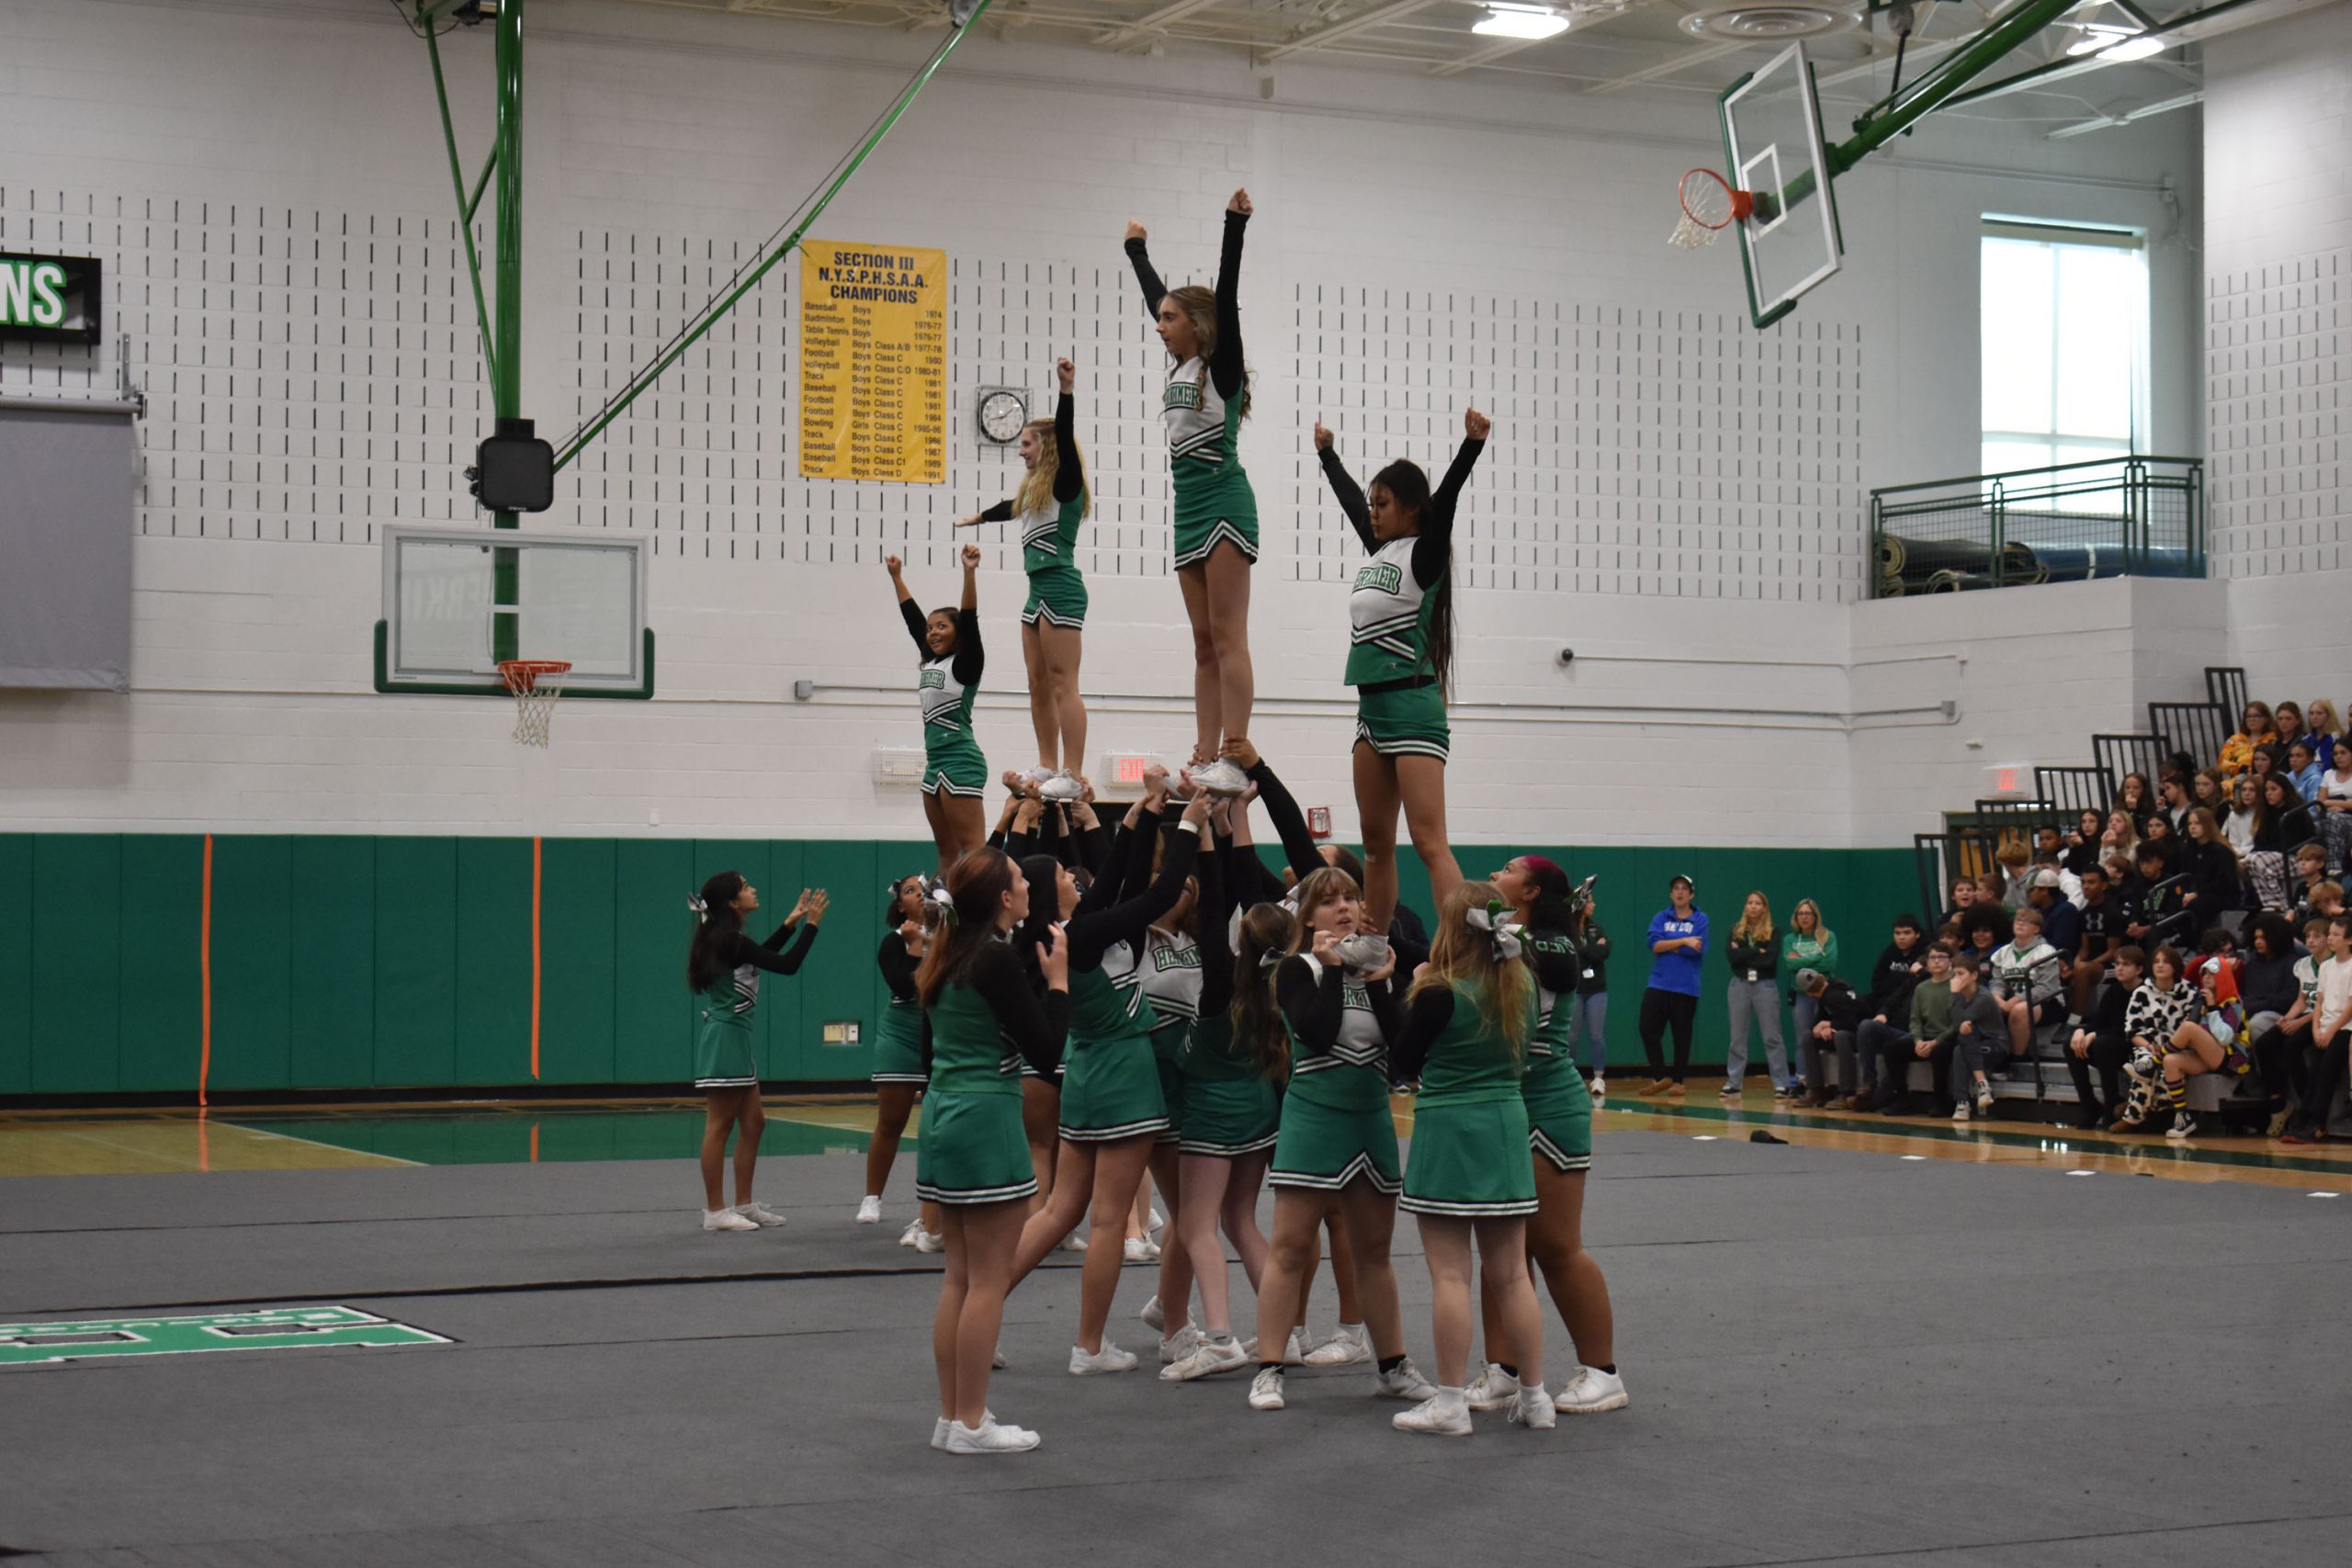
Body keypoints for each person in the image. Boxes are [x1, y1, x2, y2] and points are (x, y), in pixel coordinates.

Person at [1003, 790, 1209, 1377]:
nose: (1076, 875)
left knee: (1058, 1211)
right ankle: (1088, 1346)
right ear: (1052, 894)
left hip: (1087, 1073)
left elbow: (1116, 878)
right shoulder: (1083, 934)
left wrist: (1140, 816)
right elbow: (1159, 894)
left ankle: (984, 1309)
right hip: (1122, 1073)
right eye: (1066, 874)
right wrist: (1188, 825)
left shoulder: (1062, 931)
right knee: (1106, 1222)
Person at [1157, 746, 1322, 1382]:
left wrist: (1197, 825)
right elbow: (1246, 893)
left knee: (1199, 1225)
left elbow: (1228, 891)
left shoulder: (1221, 985)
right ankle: (1287, 1331)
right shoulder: (1285, 980)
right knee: (1243, 1221)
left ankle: (1221, 1335)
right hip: (1260, 1111)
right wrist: (1235, 821)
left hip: (1215, 1113)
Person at [1247, 864, 1437, 1414]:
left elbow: (1403, 1057)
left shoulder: (1381, 970)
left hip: (1370, 1117)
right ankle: (1269, 1368)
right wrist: (1334, 969)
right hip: (1314, 1117)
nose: (1346, 908)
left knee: (1373, 1252)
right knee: (1290, 1248)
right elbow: (1318, 1033)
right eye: (1331, 902)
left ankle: (1393, 1366)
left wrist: (1380, 984)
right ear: (1307, 917)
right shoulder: (1293, 969)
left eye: (1352, 898)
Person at [1311, 407, 1488, 947]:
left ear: (1413, 509)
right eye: (1373, 505)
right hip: (1372, 713)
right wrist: (1327, 456)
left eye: (1383, 504)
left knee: (1430, 841)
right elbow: (1348, 505)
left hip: (1413, 708)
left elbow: (1449, 500)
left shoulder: (1425, 555)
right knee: (1374, 847)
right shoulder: (1380, 550)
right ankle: (1374, 941)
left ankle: (1464, 945)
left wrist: (1471, 447)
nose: (1373, 513)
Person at [916, 849, 1071, 1454]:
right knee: (987, 1279)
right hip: (985, 1115)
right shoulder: (995, 958)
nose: (1029, 885)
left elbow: (930, 1053)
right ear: (1005, 899)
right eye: (1019, 881)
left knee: (958, 1276)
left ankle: (952, 1415)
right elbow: (1047, 1051)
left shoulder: (944, 952)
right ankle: (973, 1421)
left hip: (944, 1113)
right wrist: (1058, 983)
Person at [1387, 883, 1555, 1436]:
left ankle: (1452, 1402)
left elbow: (1401, 1063)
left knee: (1452, 1276)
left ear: (1451, 928)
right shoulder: (1524, 982)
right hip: (1506, 1124)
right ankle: (1536, 1398)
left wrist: (1405, 990)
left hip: (1449, 1130)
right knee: (1512, 1275)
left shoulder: (1438, 990)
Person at [1476, 856, 1625, 1417]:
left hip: (1549, 1104)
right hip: (1502, 1102)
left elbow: (1564, 969)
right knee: (1499, 1244)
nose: (1497, 871)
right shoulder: (1501, 935)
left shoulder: (1552, 943)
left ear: (1532, 891)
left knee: (1555, 1246)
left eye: (1509, 868)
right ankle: (1501, 1371)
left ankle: (1603, 1372)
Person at [1124, 192, 1260, 796]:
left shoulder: (1218, 366)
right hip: (1187, 509)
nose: (1160, 322)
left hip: (1225, 500)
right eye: (1160, 317)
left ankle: (1235, 748)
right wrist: (1136, 250)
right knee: (1203, 644)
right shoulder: (1179, 366)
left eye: (1171, 318)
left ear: (1198, 324)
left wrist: (1234, 227)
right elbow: (1155, 293)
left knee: (1229, 638)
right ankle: (1205, 752)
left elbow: (1225, 296)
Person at [956, 355, 1091, 799]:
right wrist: (975, 517)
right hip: (1036, 592)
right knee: (1036, 684)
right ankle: (1047, 762)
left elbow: (1066, 438)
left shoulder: (1064, 485)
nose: (1021, 450)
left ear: (1047, 448)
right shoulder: (1033, 495)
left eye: (1028, 443)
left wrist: (1066, 391)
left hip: (1061, 586)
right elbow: (1007, 509)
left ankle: (1072, 769)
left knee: (1061, 682)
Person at [684, 875, 826, 1233]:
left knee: (753, 1122)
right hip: (726, 1039)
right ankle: (715, 1211)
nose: (753, 890)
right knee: (719, 1125)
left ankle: (744, 1204)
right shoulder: (729, 939)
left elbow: (755, 959)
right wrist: (811, 926)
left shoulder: (728, 939)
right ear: (732, 902)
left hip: (737, 1038)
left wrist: (787, 925)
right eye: (746, 887)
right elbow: (787, 965)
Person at [888, 545, 989, 874]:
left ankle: (981, 917)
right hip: (935, 762)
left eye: (941, 626)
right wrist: (897, 577)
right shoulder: (932, 661)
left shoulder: (965, 664)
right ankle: (940, 922)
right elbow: (912, 620)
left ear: (958, 634)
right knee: (946, 852)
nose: (932, 632)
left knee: (973, 850)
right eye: (931, 628)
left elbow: (971, 618)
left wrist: (969, 573)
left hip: (960, 758)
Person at [865, 872, 943, 1249]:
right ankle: (872, 1196)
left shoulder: (944, 936)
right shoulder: (892, 942)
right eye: (912, 891)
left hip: (936, 1032)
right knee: (891, 1121)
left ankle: (929, 1208)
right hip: (899, 1033)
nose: (920, 894)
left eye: (924, 889)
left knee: (934, 1124)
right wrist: (914, 946)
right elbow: (906, 986)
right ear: (900, 905)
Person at [2109, 946, 2198, 1134]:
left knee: (2161, 1065)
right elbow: (2132, 1031)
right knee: (2145, 1062)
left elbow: (2193, 1029)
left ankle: (2134, 1113)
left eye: (2165, 962)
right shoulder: (2141, 993)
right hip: (2147, 1046)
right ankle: (2137, 1115)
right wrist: (2150, 1047)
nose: (2160, 965)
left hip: (2178, 1047)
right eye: (2156, 961)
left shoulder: (2190, 993)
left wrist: (2168, 1048)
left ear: (2175, 966)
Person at [2281, 915, 2352, 1145]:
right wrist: (2315, 1028)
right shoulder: (2327, 966)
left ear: (2349, 940)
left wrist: (2331, 1031)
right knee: (2313, 1072)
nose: (2330, 938)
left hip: (2344, 1027)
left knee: (2326, 1073)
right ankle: (2303, 1119)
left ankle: (2318, 1124)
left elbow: (2350, 1007)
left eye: (2335, 935)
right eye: (2329, 933)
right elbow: (2318, 1002)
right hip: (2322, 1026)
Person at [1637, 875, 1705, 1096]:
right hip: (1659, 983)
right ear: (1670, 893)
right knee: (1647, 1029)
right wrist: (1684, 940)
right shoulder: (1661, 917)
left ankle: (1678, 1081)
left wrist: (1671, 945)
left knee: (1681, 1035)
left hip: (1686, 987)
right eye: (1676, 888)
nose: (1680, 892)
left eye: (1684, 889)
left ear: (1691, 894)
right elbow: (1654, 945)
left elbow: (1696, 950)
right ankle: (1660, 1076)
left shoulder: (1701, 919)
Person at [2064, 946, 2142, 1129]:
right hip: (2109, 1042)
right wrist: (2081, 1031)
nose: (2120, 968)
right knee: (2070, 1045)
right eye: (2118, 964)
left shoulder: (2145, 992)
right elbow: (2099, 1020)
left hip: (2136, 1044)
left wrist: (2095, 1034)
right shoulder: (2114, 990)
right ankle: (2089, 1105)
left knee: (2102, 1044)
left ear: (2138, 969)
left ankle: (2111, 1105)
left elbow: (2131, 1028)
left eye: (2126, 965)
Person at [1722, 890, 1791, 1098]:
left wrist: (1744, 953)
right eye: (1750, 902)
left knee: (1772, 1036)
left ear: (1764, 908)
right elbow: (1732, 957)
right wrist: (1755, 951)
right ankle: (1734, 1083)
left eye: (1758, 903)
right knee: (1737, 1037)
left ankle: (1781, 1083)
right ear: (1745, 906)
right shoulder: (1736, 931)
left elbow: (1769, 960)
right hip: (1740, 985)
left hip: (1765, 985)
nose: (1753, 906)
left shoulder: (1774, 932)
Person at [1870, 945, 1953, 1114]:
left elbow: (1958, 1022)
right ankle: (1902, 1099)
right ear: (1927, 963)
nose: (1937, 961)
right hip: (1925, 1037)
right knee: (1893, 1049)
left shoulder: (1955, 986)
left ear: (1950, 961)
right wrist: (1918, 1041)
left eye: (1942, 957)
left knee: (1939, 1052)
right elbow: (1915, 1019)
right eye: (1933, 958)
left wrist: (1935, 1042)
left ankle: (1940, 1100)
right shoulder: (1921, 988)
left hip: (1947, 1037)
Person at [1928, 956, 2007, 1122]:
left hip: (1996, 1045)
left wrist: (1954, 995)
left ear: (1974, 975)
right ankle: (1979, 1089)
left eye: (1961, 974)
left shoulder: (1983, 997)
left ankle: (1963, 1102)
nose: (1956, 979)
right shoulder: (1959, 997)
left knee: (1963, 1041)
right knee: (1960, 1046)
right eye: (1954, 975)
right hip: (1972, 1044)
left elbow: (1958, 1022)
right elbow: (1957, 1024)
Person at [1987, 904, 2065, 1060]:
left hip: (2048, 1003)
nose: (2020, 924)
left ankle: (2017, 1057)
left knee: (2020, 1010)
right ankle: (1992, 1057)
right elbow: (1997, 982)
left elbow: (2046, 988)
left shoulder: (2046, 952)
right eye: (2018, 920)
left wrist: (2015, 1000)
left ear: (2036, 929)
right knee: (1986, 1006)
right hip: (2010, 1001)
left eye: (2026, 921)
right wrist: (1998, 999)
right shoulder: (2001, 954)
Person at [1794, 968, 1867, 1109]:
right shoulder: (1827, 994)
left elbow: (1853, 1024)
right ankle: (1815, 1088)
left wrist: (1831, 1025)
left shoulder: (1835, 996)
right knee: (1808, 1036)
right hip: (1848, 1031)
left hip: (1862, 1037)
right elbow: (1817, 1024)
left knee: (1841, 1036)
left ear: (1808, 993)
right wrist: (1824, 1027)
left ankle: (1846, 1092)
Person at [1566, 894, 1611, 1103]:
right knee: (1572, 1036)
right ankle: (1569, 1076)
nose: (1593, 904)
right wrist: (1590, 949)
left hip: (1597, 989)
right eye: (1590, 901)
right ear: (1581, 905)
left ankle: (1598, 1078)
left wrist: (1586, 950)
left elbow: (1604, 951)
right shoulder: (1568, 927)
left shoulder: (1596, 927)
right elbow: (1572, 952)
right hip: (1575, 988)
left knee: (1596, 1035)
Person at [2072, 863, 2131, 1015]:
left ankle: (2075, 1019)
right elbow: (2085, 948)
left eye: (2091, 882)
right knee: (2074, 969)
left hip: (2113, 965)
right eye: (2083, 882)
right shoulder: (2083, 913)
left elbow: (2113, 951)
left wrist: (2086, 966)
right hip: (2091, 964)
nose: (2086, 886)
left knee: (2083, 970)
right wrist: (2077, 962)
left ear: (2104, 885)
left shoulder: (2112, 912)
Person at [2178, 807, 2244, 931]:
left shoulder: (2221, 851)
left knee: (2198, 905)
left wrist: (2197, 893)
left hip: (2222, 896)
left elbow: (2224, 882)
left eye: (2197, 823)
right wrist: (2187, 893)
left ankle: (2198, 941)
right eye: (2190, 824)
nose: (2192, 827)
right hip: (2196, 894)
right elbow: (2185, 876)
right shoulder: (2187, 850)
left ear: (2207, 825)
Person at [2026, 872, 2081, 969]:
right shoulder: (2034, 910)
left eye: (2033, 889)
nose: (2029, 894)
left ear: (2044, 891)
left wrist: (2030, 942)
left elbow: (2060, 946)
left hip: (2058, 962)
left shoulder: (2066, 911)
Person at [2315, 742, 2352, 873]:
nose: (2338, 757)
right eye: (2335, 753)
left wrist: (2332, 803)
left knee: (2334, 819)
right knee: (2309, 824)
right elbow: (2320, 804)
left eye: (2343, 753)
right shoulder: (2328, 774)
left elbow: (2325, 802)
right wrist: (2333, 806)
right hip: (2329, 816)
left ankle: (2334, 867)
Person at [2220, 699, 2278, 778]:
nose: (2252, 719)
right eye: (2248, 716)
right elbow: (2222, 763)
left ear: (2266, 719)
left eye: (2256, 716)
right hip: (2235, 781)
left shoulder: (2273, 739)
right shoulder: (2235, 739)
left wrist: (2237, 761)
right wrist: (2239, 768)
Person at [2224, 773, 2261, 858]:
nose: (2247, 793)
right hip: (2240, 856)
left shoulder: (2264, 813)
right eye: (2243, 790)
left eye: (2252, 790)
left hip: (2258, 854)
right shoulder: (2234, 814)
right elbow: (2233, 844)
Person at [2062, 810, 2107, 878]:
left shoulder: (2105, 840)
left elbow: (2093, 865)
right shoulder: (2079, 840)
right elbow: (2073, 869)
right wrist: (2072, 847)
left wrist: (2082, 846)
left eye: (2092, 821)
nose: (2087, 825)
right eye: (2083, 822)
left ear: (2100, 823)